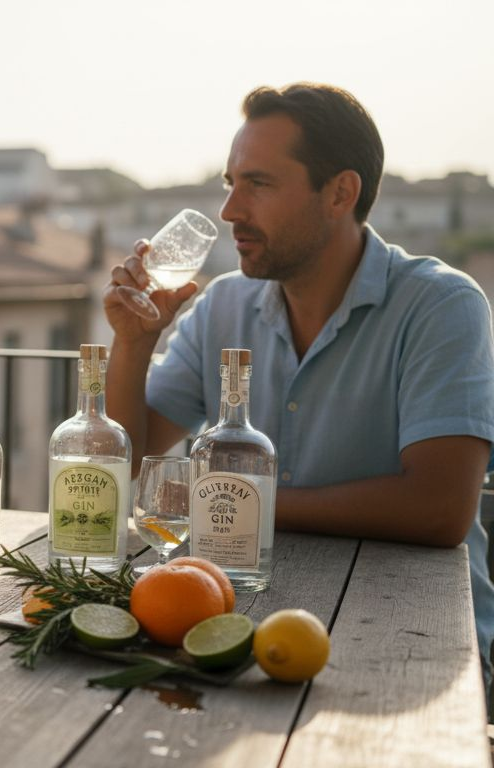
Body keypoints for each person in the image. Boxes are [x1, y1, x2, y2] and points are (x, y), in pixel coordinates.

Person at [104, 82, 494, 684]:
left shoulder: (441, 306)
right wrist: (132, 344)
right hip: (242, 619)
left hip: (415, 636)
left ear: (340, 193)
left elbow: (440, 508)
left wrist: (235, 510)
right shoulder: (220, 306)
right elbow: (128, 460)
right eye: (230, 184)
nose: (231, 210)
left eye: (257, 184)